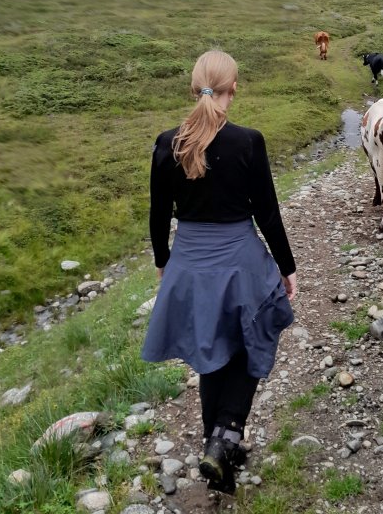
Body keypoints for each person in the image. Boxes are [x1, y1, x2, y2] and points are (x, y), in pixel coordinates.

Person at [141, 49, 297, 494]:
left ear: (195, 88)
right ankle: (226, 433)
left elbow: (158, 215)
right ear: (234, 88)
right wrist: (286, 268)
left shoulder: (166, 142)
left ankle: (219, 452)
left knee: (210, 350)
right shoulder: (248, 141)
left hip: (189, 261)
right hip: (238, 259)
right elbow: (268, 213)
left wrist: (163, 263)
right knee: (255, 334)